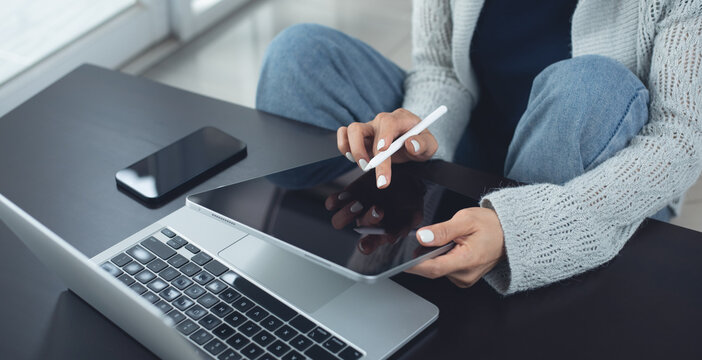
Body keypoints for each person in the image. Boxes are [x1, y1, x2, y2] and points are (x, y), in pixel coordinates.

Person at [255, 0, 702, 295]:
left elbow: (680, 137)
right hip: (475, 147)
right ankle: (427, 207)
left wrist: (521, 230)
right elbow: (440, 69)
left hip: (599, 170)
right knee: (299, 58)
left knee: (588, 88)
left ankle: (493, 256)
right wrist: (421, 130)